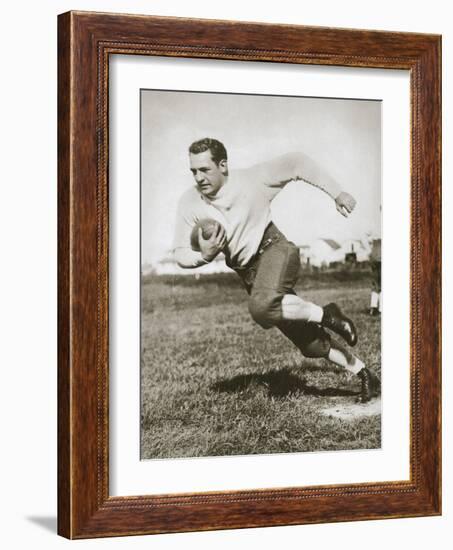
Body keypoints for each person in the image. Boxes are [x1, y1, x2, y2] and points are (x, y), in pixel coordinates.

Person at [173, 137, 380, 403]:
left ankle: (326, 314)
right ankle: (365, 374)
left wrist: (337, 193)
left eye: (205, 169)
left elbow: (297, 162)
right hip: (248, 273)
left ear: (223, 165)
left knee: (261, 308)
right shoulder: (189, 202)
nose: (198, 177)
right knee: (311, 344)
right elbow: (179, 253)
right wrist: (204, 256)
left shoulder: (251, 180)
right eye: (193, 171)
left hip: (274, 250)